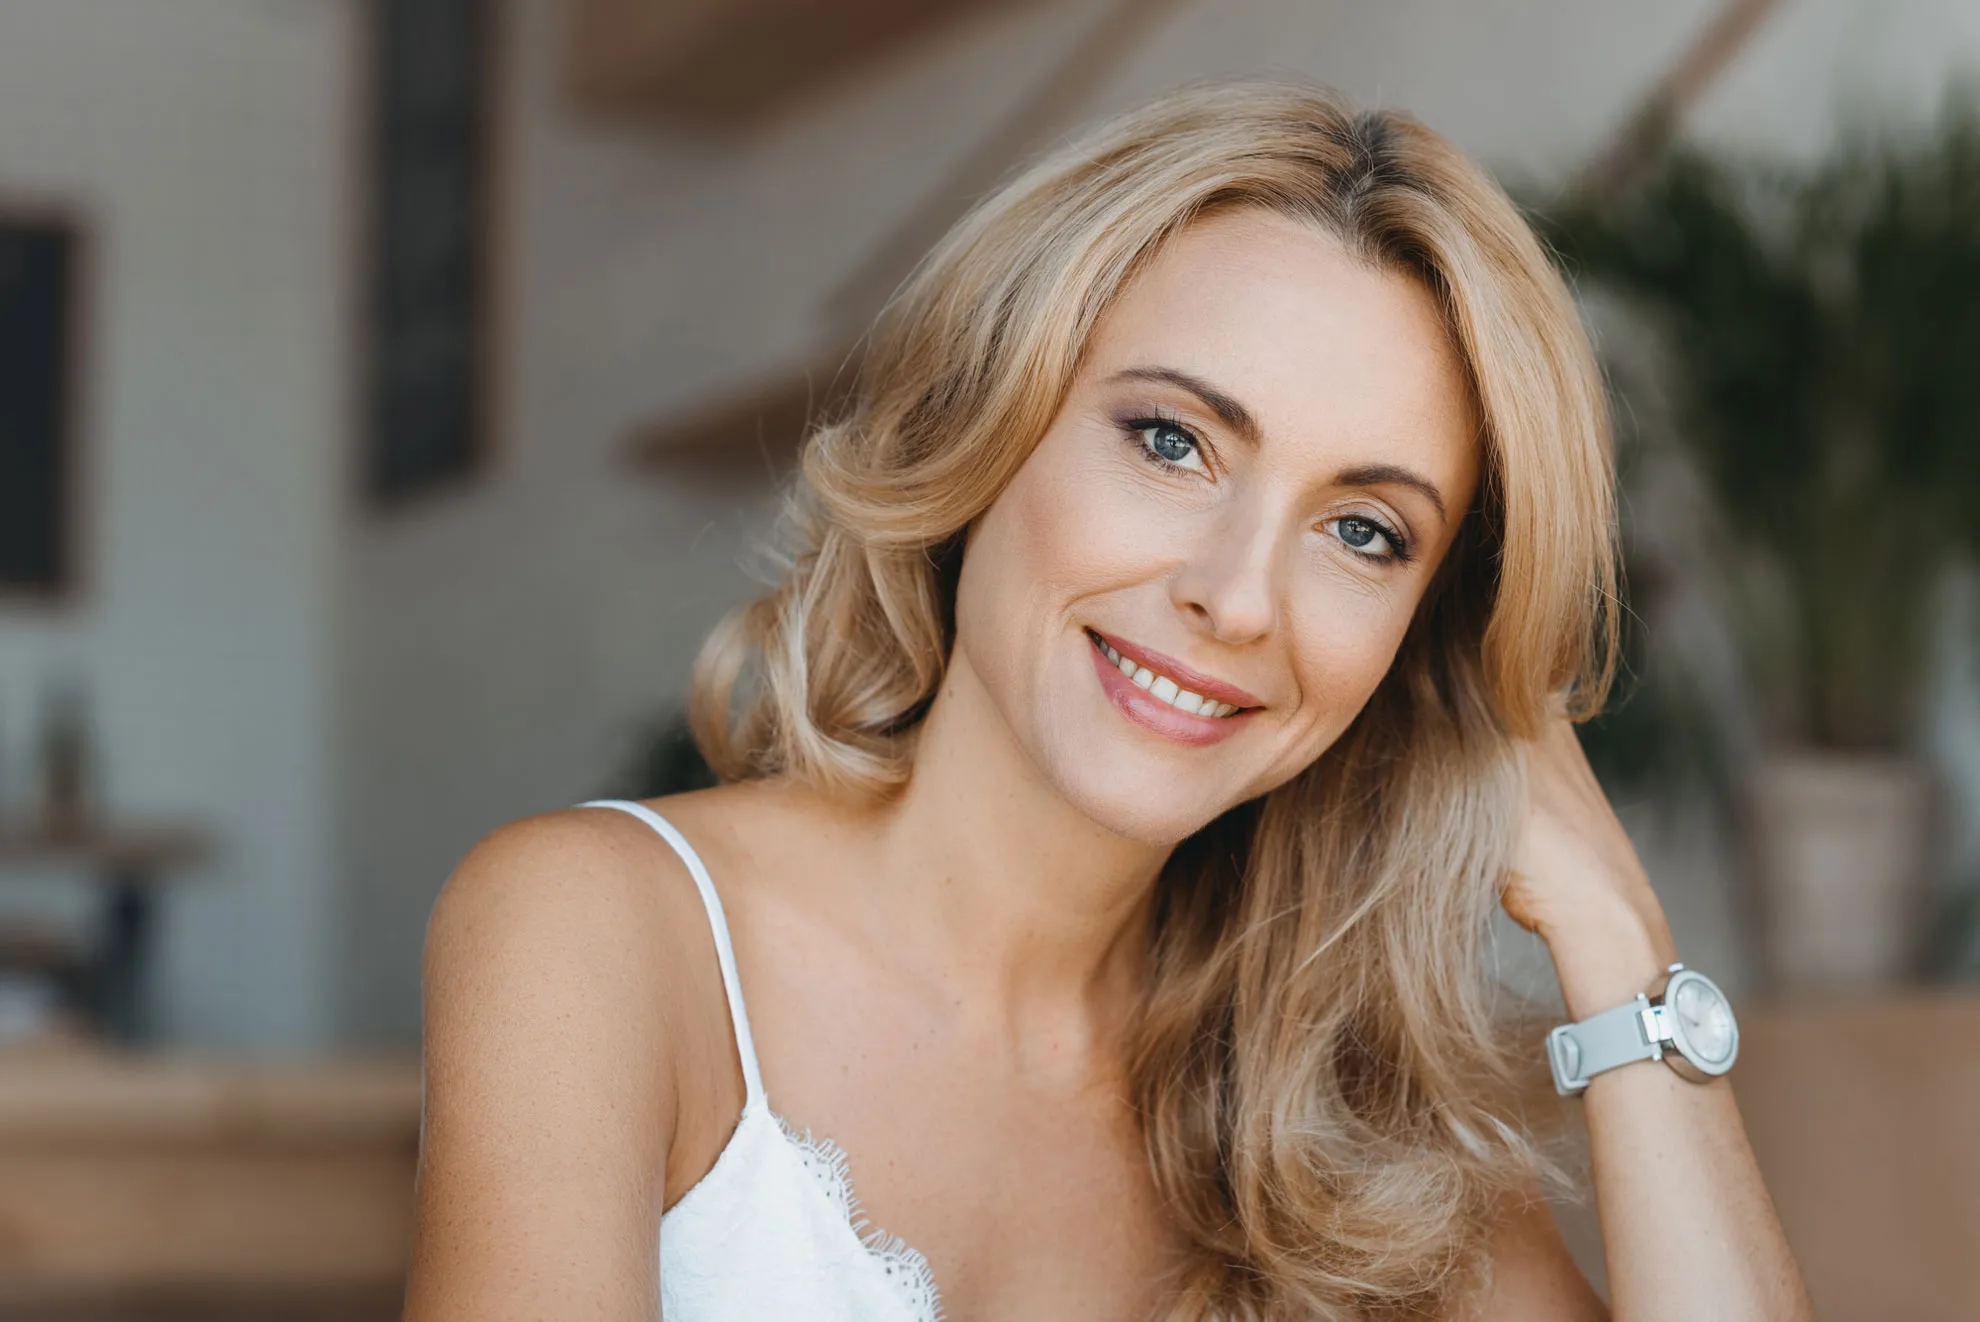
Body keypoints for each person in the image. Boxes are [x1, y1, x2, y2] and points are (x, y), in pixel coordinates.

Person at [402, 79, 1815, 1322]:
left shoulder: (1348, 1124)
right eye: (1171, 441)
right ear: (989, 418)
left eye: (1363, 531)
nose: (1238, 596)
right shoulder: (604, 930)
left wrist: (1616, 936)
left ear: (1413, 643)